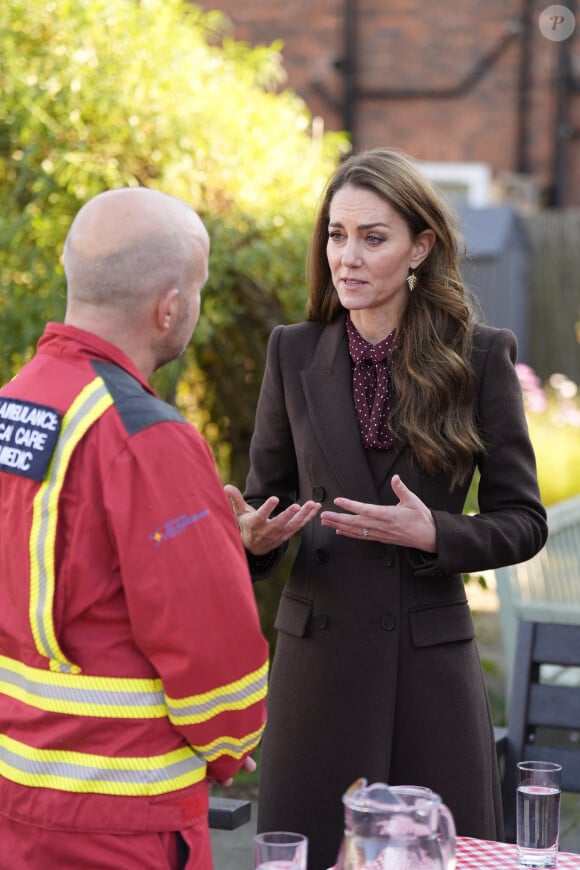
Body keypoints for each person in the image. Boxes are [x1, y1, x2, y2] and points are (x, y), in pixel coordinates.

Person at [225, 148, 548, 870]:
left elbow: (524, 520)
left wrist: (436, 532)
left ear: (420, 248)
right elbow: (263, 498)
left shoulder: (479, 356)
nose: (348, 256)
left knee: (440, 858)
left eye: (373, 237)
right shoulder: (291, 352)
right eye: (337, 235)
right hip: (318, 670)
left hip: (427, 673)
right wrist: (251, 537)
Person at [0, 187, 269, 870]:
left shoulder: (13, 408)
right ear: (169, 307)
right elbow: (218, 671)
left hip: (16, 803)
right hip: (120, 821)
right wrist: (234, 744)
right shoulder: (148, 437)